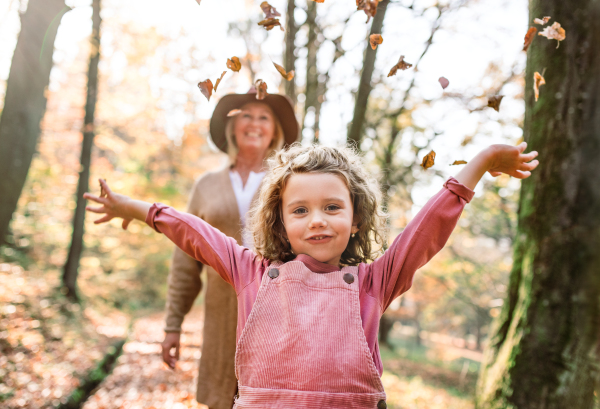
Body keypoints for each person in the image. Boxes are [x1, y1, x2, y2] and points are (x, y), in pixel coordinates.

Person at [84, 142, 539, 408]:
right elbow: (195, 232)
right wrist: (140, 210)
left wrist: (476, 166)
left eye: (332, 207)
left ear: (356, 219)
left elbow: (424, 233)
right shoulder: (252, 273)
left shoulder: (372, 283)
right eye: (300, 210)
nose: (317, 219)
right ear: (280, 223)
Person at [159, 88, 299, 409]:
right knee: (221, 398)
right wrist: (172, 325)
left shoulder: (290, 182)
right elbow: (185, 260)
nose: (254, 123)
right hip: (221, 317)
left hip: (277, 316)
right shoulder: (206, 186)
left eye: (264, 117)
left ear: (274, 130)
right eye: (245, 115)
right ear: (232, 127)